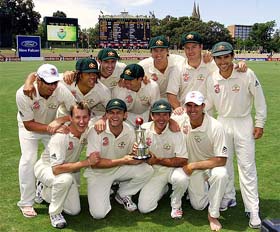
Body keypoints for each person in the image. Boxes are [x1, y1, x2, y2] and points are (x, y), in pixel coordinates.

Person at [206, 42, 267, 229]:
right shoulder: (212, 78)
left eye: (226, 57)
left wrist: (259, 123)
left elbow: (260, 100)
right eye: (219, 58)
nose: (223, 61)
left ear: (232, 57)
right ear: (214, 59)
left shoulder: (246, 74)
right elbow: (208, 105)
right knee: (225, 164)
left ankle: (253, 209)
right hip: (223, 123)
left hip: (243, 123)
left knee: (247, 167)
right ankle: (229, 197)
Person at [16, 64, 76, 217]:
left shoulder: (60, 89)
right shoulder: (23, 94)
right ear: (39, 81)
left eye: (55, 82)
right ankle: (26, 203)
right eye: (48, 82)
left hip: (51, 125)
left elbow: (75, 111)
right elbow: (29, 125)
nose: (52, 86)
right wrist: (53, 127)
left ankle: (43, 185)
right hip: (30, 128)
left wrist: (61, 120)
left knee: (57, 158)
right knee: (28, 159)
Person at [34, 102, 100, 229]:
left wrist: (102, 120)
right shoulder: (61, 136)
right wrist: (87, 162)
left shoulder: (87, 130)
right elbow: (56, 169)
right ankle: (55, 213)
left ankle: (44, 191)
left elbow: (105, 119)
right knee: (65, 179)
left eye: (85, 117)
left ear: (89, 117)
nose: (81, 121)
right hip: (47, 168)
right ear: (70, 118)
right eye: (77, 117)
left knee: (74, 210)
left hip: (67, 170)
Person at [84, 98, 154, 219]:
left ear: (125, 115)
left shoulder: (129, 130)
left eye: (119, 112)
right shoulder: (96, 131)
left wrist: (139, 152)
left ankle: (124, 193)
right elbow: (94, 164)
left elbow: (135, 156)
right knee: (98, 214)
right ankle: (108, 189)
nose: (115, 116)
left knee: (147, 170)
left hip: (119, 169)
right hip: (98, 173)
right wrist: (124, 160)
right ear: (106, 114)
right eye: (111, 112)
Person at [178, 91, 229, 231]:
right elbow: (163, 120)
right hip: (193, 170)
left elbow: (221, 160)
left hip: (209, 166)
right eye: (189, 105)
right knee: (198, 206)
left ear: (203, 107)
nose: (192, 109)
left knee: (221, 174)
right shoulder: (181, 119)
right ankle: (208, 189)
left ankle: (213, 215)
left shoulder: (216, 126)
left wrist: (193, 165)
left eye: (196, 106)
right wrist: (170, 121)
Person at [166, 31, 247, 115]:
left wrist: (241, 63)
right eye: (187, 47)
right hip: (185, 113)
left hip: (206, 113)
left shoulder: (211, 64)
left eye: (194, 47)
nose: (190, 51)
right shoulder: (178, 68)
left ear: (201, 47)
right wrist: (179, 109)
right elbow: (171, 93)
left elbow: (227, 67)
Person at [138, 99, 189, 219]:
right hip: (154, 172)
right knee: (144, 208)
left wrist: (158, 160)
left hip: (173, 169)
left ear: (170, 116)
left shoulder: (176, 131)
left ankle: (176, 204)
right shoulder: (143, 129)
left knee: (181, 178)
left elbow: (182, 160)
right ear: (151, 115)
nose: (161, 118)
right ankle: (164, 188)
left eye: (165, 114)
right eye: (158, 114)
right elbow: (137, 153)